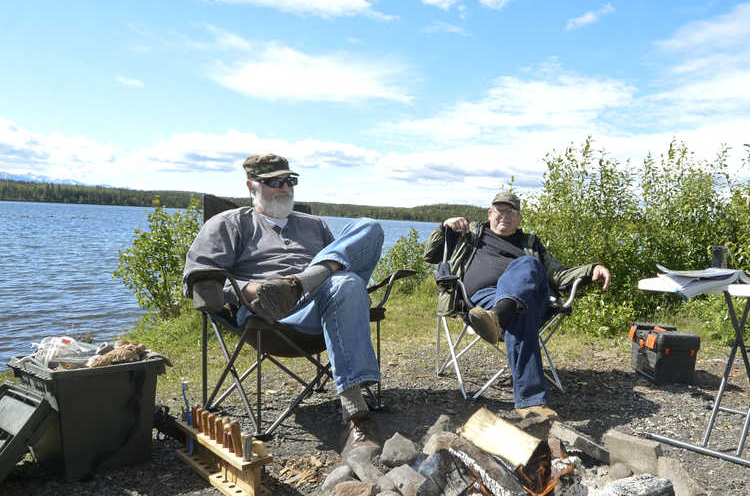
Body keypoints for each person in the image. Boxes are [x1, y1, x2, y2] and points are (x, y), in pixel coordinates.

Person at [183, 153, 383, 449]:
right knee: (348, 283)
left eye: (290, 180)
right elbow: (199, 278)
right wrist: (248, 289)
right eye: (274, 182)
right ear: (251, 186)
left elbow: (343, 264)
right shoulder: (228, 223)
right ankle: (357, 415)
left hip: (322, 304)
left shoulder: (314, 225)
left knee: (368, 228)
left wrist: (305, 283)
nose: (285, 187)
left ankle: (299, 284)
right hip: (269, 316)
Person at [423, 191, 611, 416]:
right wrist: (445, 226)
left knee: (528, 264)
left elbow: (559, 275)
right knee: (520, 316)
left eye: (511, 211)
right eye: (500, 211)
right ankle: (532, 404)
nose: (505, 216)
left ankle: (498, 316)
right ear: (490, 213)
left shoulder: (530, 243)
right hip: (482, 301)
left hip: (522, 301)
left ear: (520, 218)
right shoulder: (469, 234)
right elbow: (431, 256)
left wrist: (591, 269)